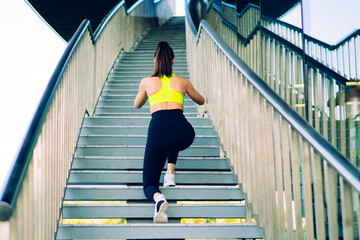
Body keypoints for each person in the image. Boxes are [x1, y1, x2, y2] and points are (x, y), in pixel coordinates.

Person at [134, 41, 205, 223]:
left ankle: (159, 199)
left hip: (157, 129)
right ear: (173, 61)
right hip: (182, 131)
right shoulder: (182, 82)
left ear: (155, 61)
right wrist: (186, 90)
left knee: (149, 184)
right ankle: (170, 173)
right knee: (174, 138)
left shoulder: (147, 82)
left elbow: (137, 104)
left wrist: (147, 92)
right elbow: (201, 100)